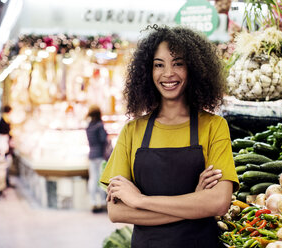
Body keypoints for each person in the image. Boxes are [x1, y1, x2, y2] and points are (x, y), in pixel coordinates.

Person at [100, 25, 239, 248]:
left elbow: (219, 202)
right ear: (147, 71)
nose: (168, 74)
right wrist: (195, 203)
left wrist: (141, 201)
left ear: (193, 68)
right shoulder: (132, 131)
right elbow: (117, 211)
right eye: (158, 65)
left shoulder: (214, 126)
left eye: (178, 63)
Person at [86, 105, 110, 213]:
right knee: (101, 179)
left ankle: (93, 202)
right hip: (100, 155)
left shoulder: (89, 126)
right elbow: (103, 139)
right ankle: (102, 202)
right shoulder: (99, 126)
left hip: (91, 155)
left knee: (93, 179)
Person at [0, 105, 14, 187]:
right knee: (4, 163)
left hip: (4, 144)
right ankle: (3, 181)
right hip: (3, 145)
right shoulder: (4, 120)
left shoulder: (4, 119)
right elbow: (1, 130)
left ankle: (5, 181)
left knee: (5, 163)